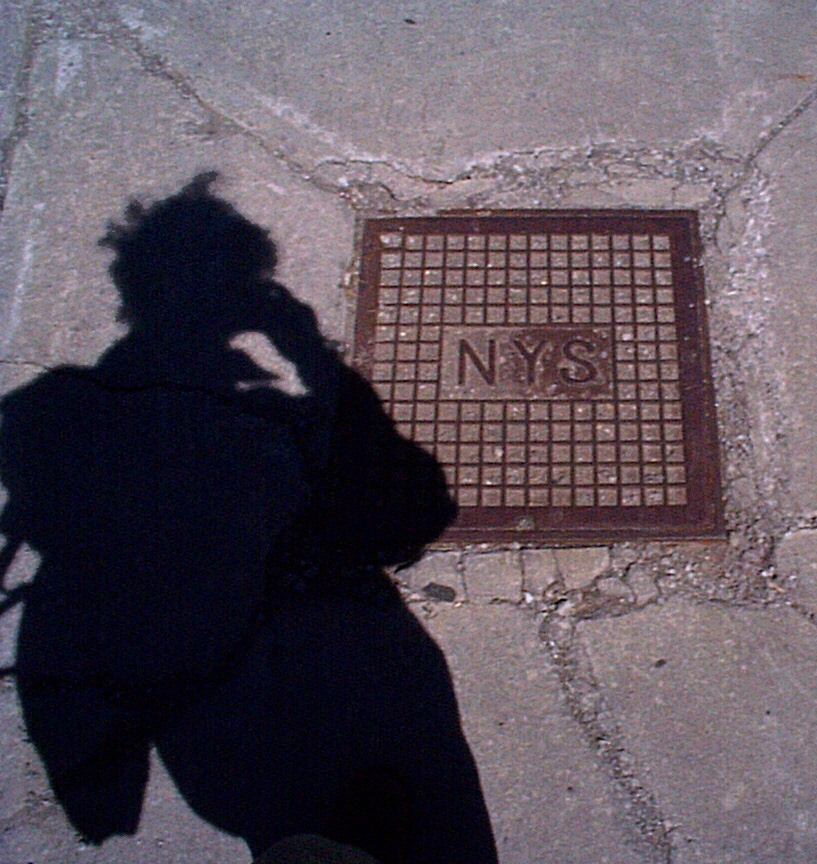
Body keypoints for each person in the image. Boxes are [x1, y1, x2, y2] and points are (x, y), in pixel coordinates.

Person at [0, 175, 497, 863]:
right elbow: (417, 509)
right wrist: (309, 352)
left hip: (210, 720)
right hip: (298, 665)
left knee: (310, 835)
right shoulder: (252, 419)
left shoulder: (60, 411)